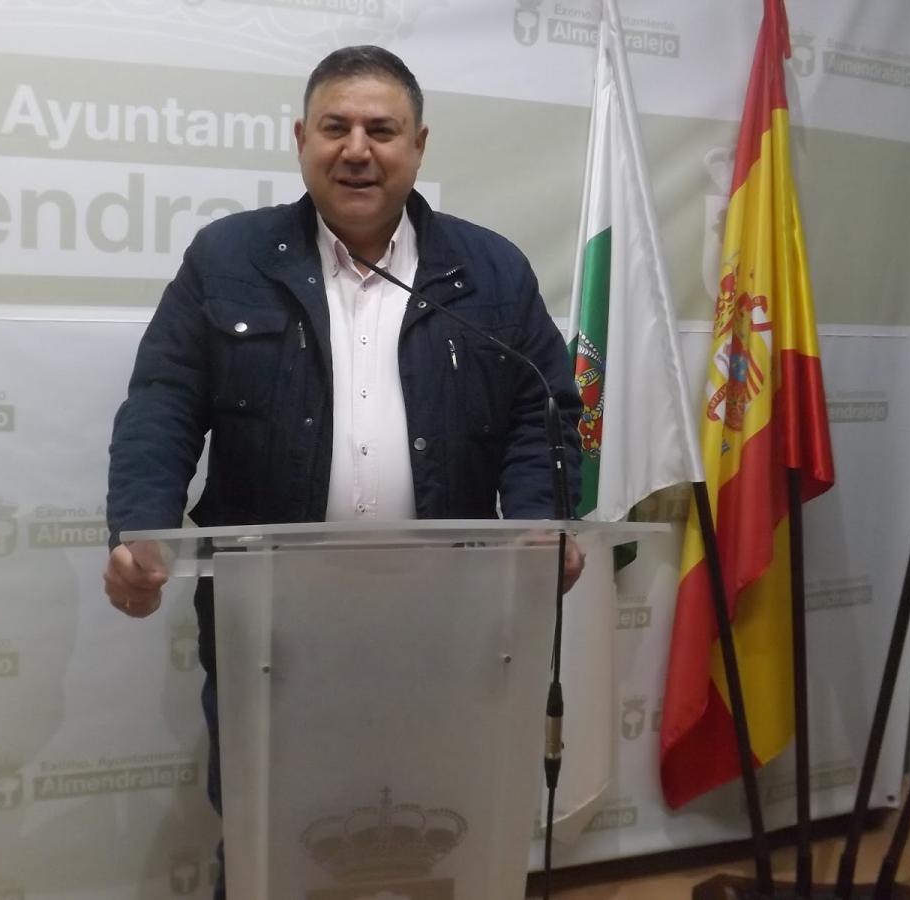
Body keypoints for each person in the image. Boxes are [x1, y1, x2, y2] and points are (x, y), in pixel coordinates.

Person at [103, 44, 583, 898]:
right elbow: (163, 402)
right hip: (274, 629)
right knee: (268, 833)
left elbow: (541, 411)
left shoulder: (492, 271)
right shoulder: (228, 260)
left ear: (420, 146)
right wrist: (142, 527)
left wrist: (544, 523)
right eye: (336, 127)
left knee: (435, 829)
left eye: (382, 129)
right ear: (301, 139)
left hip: (444, 623)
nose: (357, 148)